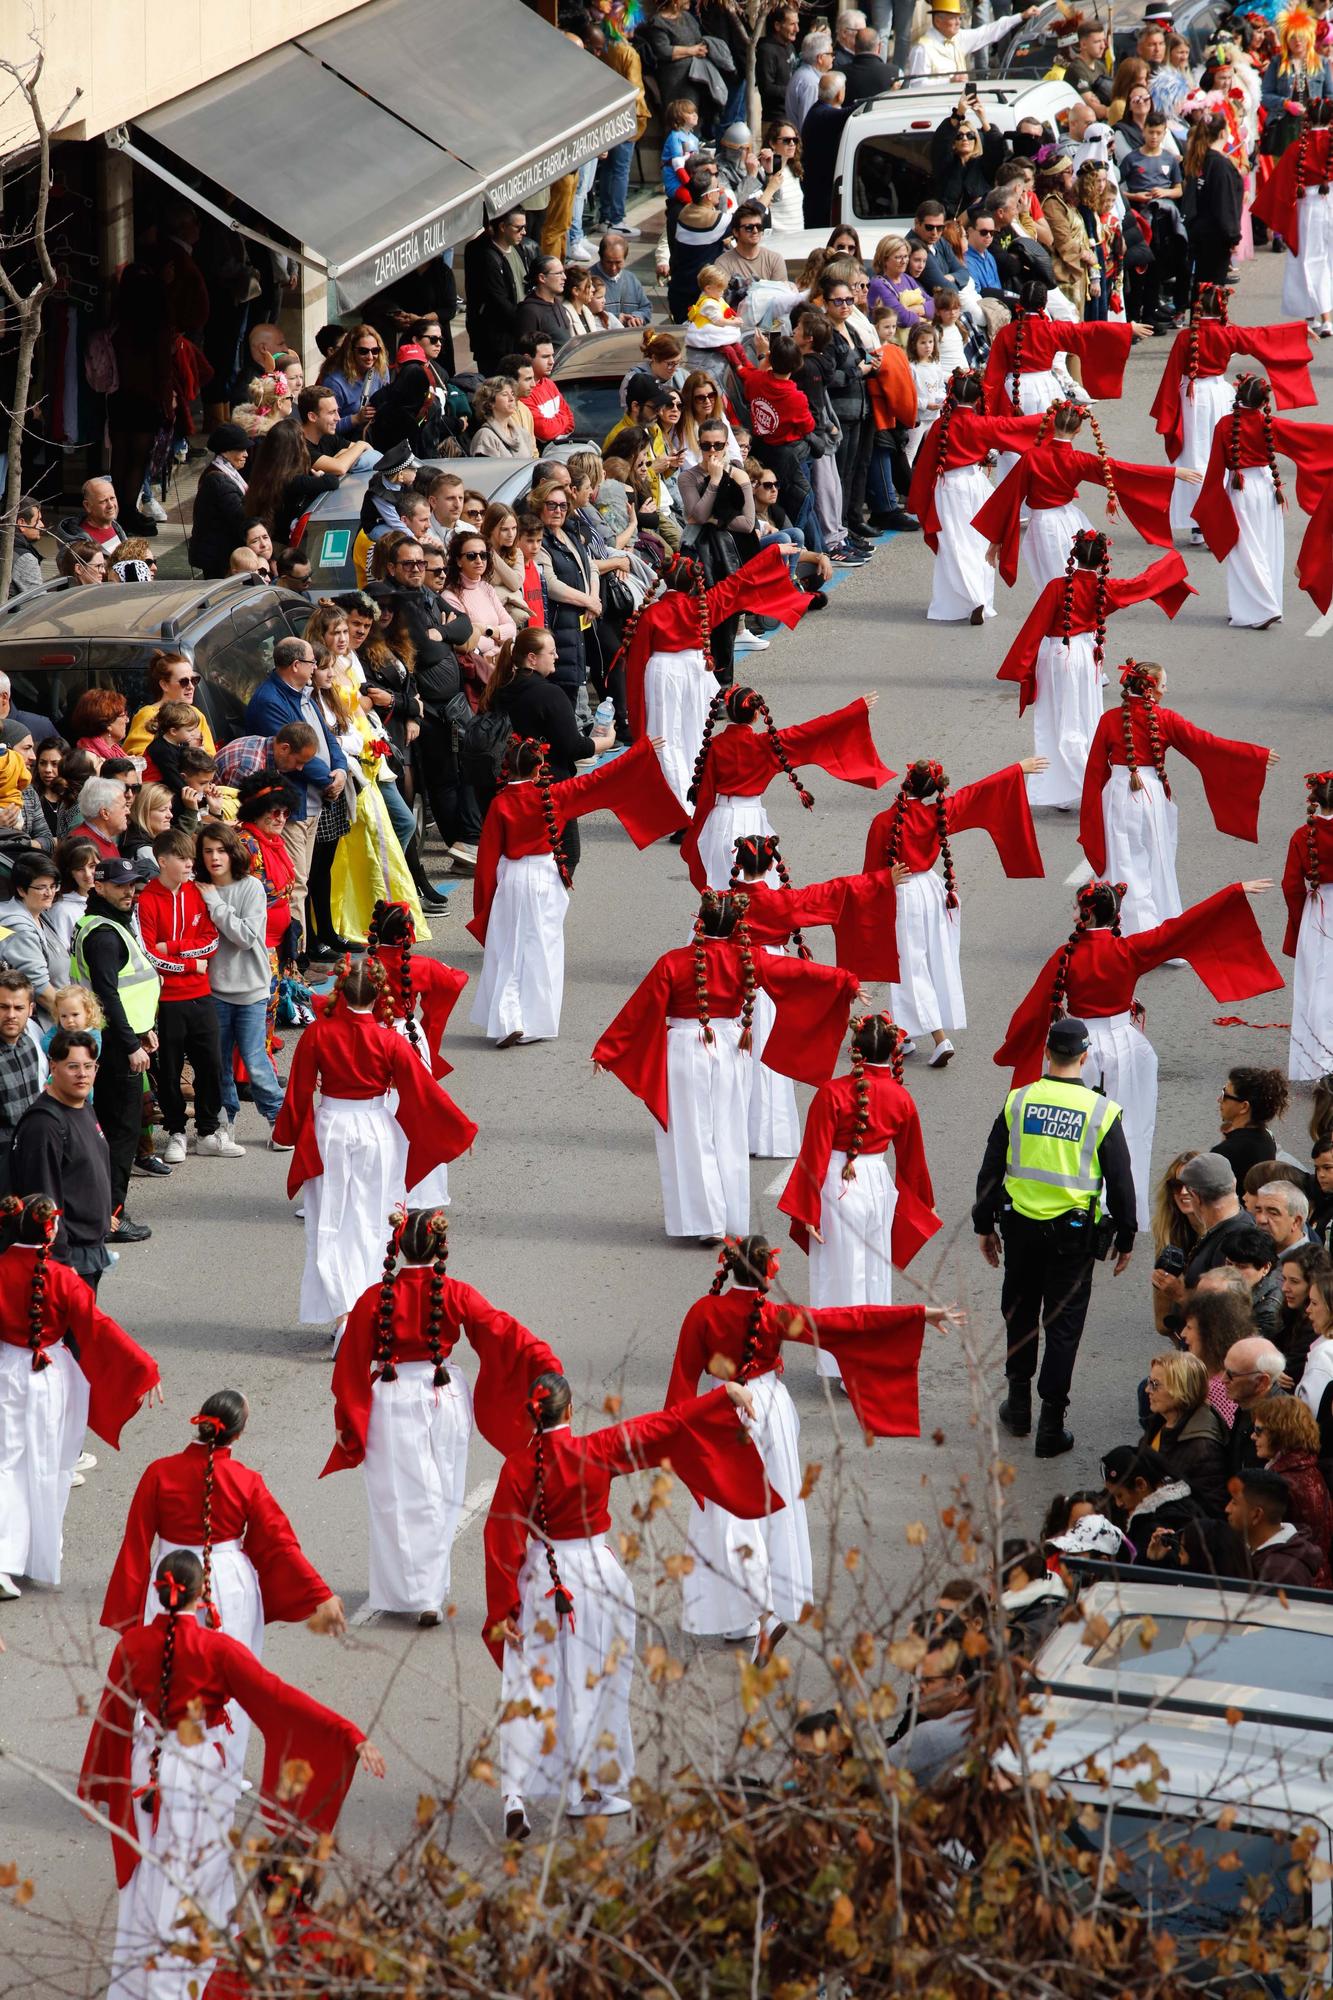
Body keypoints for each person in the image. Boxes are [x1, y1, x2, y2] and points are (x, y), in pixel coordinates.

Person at [79, 1550, 384, 2000]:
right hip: (201, 1771)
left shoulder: (132, 1646)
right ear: (203, 1592)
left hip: (148, 1768)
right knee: (198, 1877)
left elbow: (112, 1718)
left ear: (158, 1591)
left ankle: (136, 1986)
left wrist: (97, 1784)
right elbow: (279, 1700)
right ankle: (190, 1983)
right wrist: (348, 1735)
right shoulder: (218, 1649)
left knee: (149, 1872)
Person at [484, 1370, 772, 1838]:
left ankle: (515, 1795)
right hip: (597, 1581)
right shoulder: (597, 1450)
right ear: (570, 1412)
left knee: (527, 1686)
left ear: (530, 1416)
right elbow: (667, 1424)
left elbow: (499, 1539)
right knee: (598, 1680)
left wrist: (504, 1611)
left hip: (543, 1583)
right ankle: (589, 1785)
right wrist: (724, 1395)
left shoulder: (516, 1468)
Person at [666, 1234, 957, 1656]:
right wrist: (916, 1315)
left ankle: (747, 1612)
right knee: (774, 1508)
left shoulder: (703, 1312)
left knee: (729, 1514)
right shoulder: (777, 1316)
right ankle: (764, 1609)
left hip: (722, 1410)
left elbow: (681, 1379)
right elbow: (846, 1321)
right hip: (772, 1410)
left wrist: (681, 1440)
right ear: (768, 1273)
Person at [996, 881, 1280, 1228]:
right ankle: (1126, 1209)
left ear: (1084, 914)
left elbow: (1034, 1007)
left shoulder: (1065, 955)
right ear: (1116, 914)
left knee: (1079, 1130)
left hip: (1082, 1053)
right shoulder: (1129, 950)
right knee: (1130, 1128)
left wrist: (1013, 1047)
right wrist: (1232, 892)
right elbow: (1181, 927)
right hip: (1128, 1050)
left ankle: (1078, 1204)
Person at [325, 1208, 560, 1626]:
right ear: (439, 1248)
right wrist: (546, 1364)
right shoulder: (455, 1292)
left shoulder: (373, 1299)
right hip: (444, 1395)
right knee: (441, 1492)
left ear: (397, 1246)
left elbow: (348, 1370)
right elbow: (504, 1330)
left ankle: (401, 1589)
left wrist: (348, 1423)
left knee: (394, 1498)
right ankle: (430, 1591)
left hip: (392, 1400)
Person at [594, 889, 860, 1244]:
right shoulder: (747, 958)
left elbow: (640, 1010)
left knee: (691, 1135)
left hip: (684, 1051)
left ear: (699, 922)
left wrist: (608, 1050)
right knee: (730, 1133)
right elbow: (797, 972)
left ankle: (707, 1221)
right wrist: (845, 982)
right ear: (738, 924)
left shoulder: (672, 962)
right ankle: (731, 1217)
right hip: (733, 1049)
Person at [100, 1393, 345, 1767]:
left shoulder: (158, 1472)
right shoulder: (247, 1480)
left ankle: (156, 1762)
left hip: (171, 1576)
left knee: (162, 1667)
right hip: (229, 1587)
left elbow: (135, 1543)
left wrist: (126, 1608)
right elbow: (281, 1543)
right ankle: (223, 1769)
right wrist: (320, 1594)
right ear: (238, 1434)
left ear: (200, 1423)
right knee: (232, 1678)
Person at [273, 959, 477, 1331]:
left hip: (331, 1127)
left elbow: (298, 1094)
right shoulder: (390, 1040)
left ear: (339, 989)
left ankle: (341, 1312)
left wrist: (287, 1133)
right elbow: (424, 1090)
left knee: (327, 1222)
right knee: (373, 1223)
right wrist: (458, 1130)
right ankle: (368, 1310)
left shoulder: (318, 1034)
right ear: (381, 993)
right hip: (376, 1130)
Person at [973, 1015, 1136, 1454]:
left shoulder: (1019, 1101)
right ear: (1085, 1056)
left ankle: (1018, 1406)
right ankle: (1050, 1426)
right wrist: (1127, 1236)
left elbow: (991, 1170)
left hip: (1021, 1228)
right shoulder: (1101, 1110)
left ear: (1046, 1053)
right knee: (1063, 1326)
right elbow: (1121, 1180)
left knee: (1020, 1313)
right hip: (1073, 1236)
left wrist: (983, 1225)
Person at [468, 738, 679, 1050]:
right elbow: (599, 778)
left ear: (508, 768)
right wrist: (639, 751)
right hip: (543, 878)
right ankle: (533, 1022)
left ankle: (508, 1020)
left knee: (508, 949)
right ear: (540, 768)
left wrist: (482, 906)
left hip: (511, 878)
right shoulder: (554, 795)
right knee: (542, 947)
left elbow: (486, 859)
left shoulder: (500, 804)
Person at [0, 1190, 159, 1602]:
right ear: (50, 1229)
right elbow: (100, 1328)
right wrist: (143, 1367)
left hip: (6, 1372)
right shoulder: (63, 1279)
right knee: (49, 1465)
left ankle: (5, 1558)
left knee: (6, 1463)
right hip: (50, 1375)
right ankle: (35, 1555)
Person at [779, 1015, 940, 1375]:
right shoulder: (901, 1097)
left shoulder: (831, 1093)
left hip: (839, 1183)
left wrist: (805, 1212)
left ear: (854, 1050)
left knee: (839, 1275)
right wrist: (923, 1203)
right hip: (878, 1184)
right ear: (894, 1052)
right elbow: (913, 1161)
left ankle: (840, 1364)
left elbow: (813, 1157)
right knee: (874, 1273)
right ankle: (870, 1358)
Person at [861, 758, 1044, 1068]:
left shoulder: (883, 822)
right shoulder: (938, 814)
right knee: (928, 961)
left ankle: (939, 1038)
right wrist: (1016, 769)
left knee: (908, 967)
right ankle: (905, 1035)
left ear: (907, 782)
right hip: (932, 890)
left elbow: (869, 875)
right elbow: (976, 793)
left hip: (902, 894)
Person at [1078, 660, 1275, 934]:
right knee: (1158, 865)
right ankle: (1162, 933)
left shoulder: (1109, 719)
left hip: (1118, 797)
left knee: (1122, 864)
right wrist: (1252, 757)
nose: (1165, 691)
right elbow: (1206, 744)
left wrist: (1089, 816)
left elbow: (1095, 771)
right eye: (1163, 685)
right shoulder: (1165, 719)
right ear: (1150, 691)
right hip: (1152, 797)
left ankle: (1129, 930)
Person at [684, 688, 891, 895]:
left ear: (727, 711)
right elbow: (812, 730)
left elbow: (706, 793)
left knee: (719, 889)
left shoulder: (715, 745)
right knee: (759, 889)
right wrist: (854, 710)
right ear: (757, 715)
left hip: (720, 821)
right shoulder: (766, 744)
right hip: (752, 820)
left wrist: (696, 829)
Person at [973, 399, 1189, 596]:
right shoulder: (1079, 460)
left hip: (1045, 525)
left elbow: (1007, 497)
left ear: (1051, 423)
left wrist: (996, 540)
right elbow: (1122, 470)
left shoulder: (1032, 457)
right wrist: (1171, 473)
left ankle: (1063, 631)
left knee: (1055, 587)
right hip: (1071, 521)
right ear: (1078, 430)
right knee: (1074, 583)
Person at [136, 825, 244, 1165]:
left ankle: (209, 1131)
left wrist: (176, 950)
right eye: (182, 859)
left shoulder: (198, 892)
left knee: (210, 1064)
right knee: (168, 1071)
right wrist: (189, 965)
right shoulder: (147, 900)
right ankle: (177, 1131)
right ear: (162, 860)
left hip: (201, 995)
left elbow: (210, 942)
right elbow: (150, 954)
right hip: (167, 1001)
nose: (189, 865)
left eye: (190, 859)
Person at [68, 857, 162, 1245]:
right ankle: (109, 1218)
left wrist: (144, 1031)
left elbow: (126, 988)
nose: (130, 892)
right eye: (121, 885)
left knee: (110, 1131)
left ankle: (98, 1212)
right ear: (100, 887)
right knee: (121, 1134)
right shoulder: (105, 934)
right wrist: (130, 1044)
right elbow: (108, 995)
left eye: (133, 885)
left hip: (114, 1040)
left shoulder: (99, 924)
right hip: (114, 1047)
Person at [905, 371, 1047, 623]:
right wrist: (1052, 417)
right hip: (977, 484)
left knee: (955, 544)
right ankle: (980, 597)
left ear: (952, 394)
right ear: (978, 397)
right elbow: (1017, 427)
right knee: (979, 543)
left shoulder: (941, 425)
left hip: (949, 488)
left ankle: (969, 599)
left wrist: (917, 500)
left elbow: (925, 466)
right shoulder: (983, 423)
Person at [1193, 372, 1333, 628]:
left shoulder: (1225, 425)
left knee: (1245, 551)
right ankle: (1270, 603)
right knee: (1269, 547)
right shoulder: (1270, 424)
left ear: (1238, 395)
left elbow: (1214, 469)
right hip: (1269, 490)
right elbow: (1313, 436)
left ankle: (1260, 609)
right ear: (1263, 401)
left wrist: (1208, 506)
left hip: (1241, 490)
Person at [192, 823, 286, 1146]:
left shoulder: (251, 888)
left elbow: (246, 937)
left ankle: (280, 1119)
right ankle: (224, 1123)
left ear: (233, 852)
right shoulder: (198, 889)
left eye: (220, 850)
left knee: (254, 1058)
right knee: (218, 1064)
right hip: (214, 990)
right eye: (207, 851)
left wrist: (215, 905)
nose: (214, 857)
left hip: (251, 991)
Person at [10, 1029, 114, 1292]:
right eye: (73, 1066)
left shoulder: (84, 1106)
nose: (83, 1074)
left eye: (89, 1066)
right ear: (53, 1067)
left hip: (92, 1251)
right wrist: (61, 1261)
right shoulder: (44, 1126)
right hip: (67, 1259)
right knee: (70, 1335)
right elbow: (43, 1199)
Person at [1282, 770, 1333, 1080]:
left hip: (1317, 910)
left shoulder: (1303, 835)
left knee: (1315, 982)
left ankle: (1314, 1060)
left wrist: (1301, 919)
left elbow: (1291, 885)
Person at [1251, 1397, 1333, 1583]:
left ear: (1281, 1432)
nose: (1253, 1436)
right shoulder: (1307, 1470)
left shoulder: (1283, 1482)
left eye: (1259, 1430)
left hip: (1295, 1584)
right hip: (1313, 1578)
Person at [1141, 1349, 1229, 1515]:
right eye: (1148, 1381)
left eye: (1155, 1384)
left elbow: (1209, 1510)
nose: (1147, 1390)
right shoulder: (1162, 1420)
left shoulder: (1203, 1448)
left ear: (1181, 1389)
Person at [1227, 1467, 1327, 1585]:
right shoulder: (1252, 1550)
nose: (1227, 1509)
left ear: (1256, 1515)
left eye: (1235, 1502)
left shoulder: (1281, 1574)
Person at [906, 0, 1037, 78]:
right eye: (953, 18)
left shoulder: (958, 37)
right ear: (938, 21)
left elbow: (988, 32)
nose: (958, 22)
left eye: (959, 18)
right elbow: (917, 85)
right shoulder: (922, 49)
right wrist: (949, 80)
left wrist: (1021, 16)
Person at [186, 424, 251, 577]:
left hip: (218, 552)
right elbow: (239, 517)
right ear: (226, 452)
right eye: (241, 450)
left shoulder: (225, 473)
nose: (246, 454)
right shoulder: (219, 481)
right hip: (218, 556)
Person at [1213, 1067, 1288, 1184]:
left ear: (1244, 1107)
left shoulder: (1225, 1152)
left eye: (1225, 1095)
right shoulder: (1267, 1139)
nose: (1219, 1100)